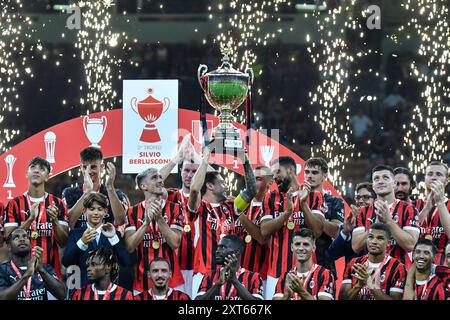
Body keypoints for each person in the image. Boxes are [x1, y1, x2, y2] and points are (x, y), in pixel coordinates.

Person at [188, 147, 257, 298]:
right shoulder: (199, 207)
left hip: (230, 272)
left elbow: (252, 191)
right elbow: (194, 190)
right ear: (210, 186)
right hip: (204, 272)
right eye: (222, 183)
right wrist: (205, 159)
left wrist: (244, 160)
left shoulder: (231, 207)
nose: (226, 186)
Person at [260, 156, 324, 300]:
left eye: (277, 172)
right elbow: (264, 232)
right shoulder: (270, 198)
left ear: (290, 170)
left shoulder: (313, 196)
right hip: (275, 273)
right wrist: (287, 213)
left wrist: (304, 205)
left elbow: (318, 231)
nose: (275, 177)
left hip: (306, 273)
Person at [4, 157, 69, 278]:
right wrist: (30, 220)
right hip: (19, 273)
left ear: (47, 177)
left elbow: (63, 242)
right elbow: (8, 239)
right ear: (26, 174)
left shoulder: (58, 203)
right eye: (32, 167)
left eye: (42, 169)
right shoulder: (14, 203)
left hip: (50, 271)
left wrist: (54, 221)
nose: (36, 170)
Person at [124, 168, 184, 296]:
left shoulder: (175, 208)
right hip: (142, 281)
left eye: (160, 177)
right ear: (143, 186)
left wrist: (159, 219)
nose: (160, 181)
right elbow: (129, 247)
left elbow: (175, 243)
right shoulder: (132, 212)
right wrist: (145, 223)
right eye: (154, 178)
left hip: (172, 280)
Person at [352, 164, 419, 267]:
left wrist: (389, 221)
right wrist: (376, 223)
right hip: (370, 272)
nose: (380, 181)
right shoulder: (363, 212)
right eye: (376, 179)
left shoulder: (409, 209)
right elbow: (356, 246)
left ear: (394, 184)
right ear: (373, 185)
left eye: (385, 177)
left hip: (400, 272)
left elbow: (410, 245)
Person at [62, 193, 131, 288]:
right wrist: (82, 242)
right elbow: (66, 262)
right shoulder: (75, 234)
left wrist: (113, 238)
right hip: (82, 291)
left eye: (100, 209)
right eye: (92, 209)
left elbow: (126, 262)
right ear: (84, 211)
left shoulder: (114, 233)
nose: (96, 213)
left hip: (108, 292)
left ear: (105, 212)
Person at [62, 147, 127, 229]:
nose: (89, 171)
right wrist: (87, 192)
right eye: (85, 167)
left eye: (93, 167)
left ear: (102, 167)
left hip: (105, 240)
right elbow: (68, 222)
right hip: (79, 241)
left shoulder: (115, 193)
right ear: (81, 167)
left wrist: (110, 187)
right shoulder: (69, 193)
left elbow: (121, 221)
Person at [341, 223, 407, 300]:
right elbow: (342, 298)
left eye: (380, 238)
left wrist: (369, 283)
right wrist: (358, 285)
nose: (374, 242)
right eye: (370, 237)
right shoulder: (354, 263)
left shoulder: (398, 268)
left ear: (389, 243)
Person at [304, 157, 345, 276]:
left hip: (324, 263)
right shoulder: (296, 200)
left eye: (315, 172)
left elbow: (336, 232)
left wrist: (318, 218)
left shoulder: (334, 201)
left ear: (325, 175)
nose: (310, 176)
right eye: (307, 172)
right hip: (297, 262)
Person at [0, 229, 66, 300]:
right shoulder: (3, 270)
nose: (22, 239)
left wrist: (41, 271)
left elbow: (62, 294)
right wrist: (26, 276)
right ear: (9, 246)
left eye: (25, 237)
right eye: (16, 237)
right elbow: (2, 297)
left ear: (30, 244)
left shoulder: (45, 268)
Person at [234, 166, 272, 287]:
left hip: (262, 275)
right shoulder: (240, 203)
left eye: (258, 179)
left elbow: (262, 238)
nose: (252, 183)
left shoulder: (272, 206)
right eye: (251, 179)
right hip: (237, 273)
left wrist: (238, 212)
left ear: (269, 183)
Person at [273, 228, 335, 300]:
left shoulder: (325, 274)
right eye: (297, 244)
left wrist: (301, 291)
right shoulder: (285, 277)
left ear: (313, 247)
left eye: (306, 244)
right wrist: (287, 295)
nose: (301, 248)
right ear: (292, 247)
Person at [195, 235, 263, 300]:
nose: (217, 251)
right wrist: (218, 284)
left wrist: (234, 281)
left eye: (223, 247)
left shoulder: (253, 277)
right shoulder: (209, 275)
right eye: (218, 247)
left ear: (236, 252)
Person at [328, 182, 375, 264]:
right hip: (352, 274)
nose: (361, 201)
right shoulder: (351, 223)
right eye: (358, 197)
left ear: (375, 199)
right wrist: (345, 232)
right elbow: (332, 254)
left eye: (366, 197)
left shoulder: (381, 222)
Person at [417, 161, 450, 265]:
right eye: (430, 174)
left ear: (447, 180)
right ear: (425, 178)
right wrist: (426, 209)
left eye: (439, 174)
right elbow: (410, 234)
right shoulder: (412, 205)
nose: (434, 177)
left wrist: (439, 202)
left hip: (443, 264)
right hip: (416, 263)